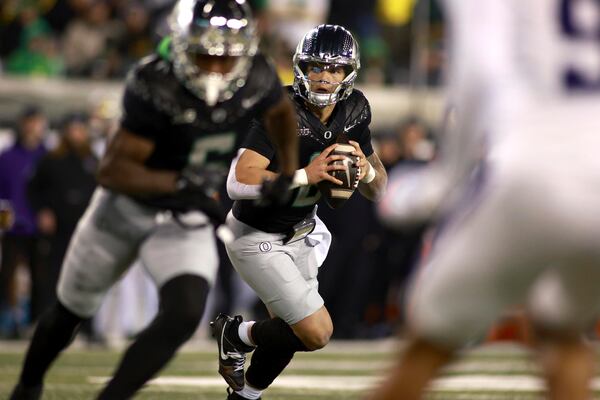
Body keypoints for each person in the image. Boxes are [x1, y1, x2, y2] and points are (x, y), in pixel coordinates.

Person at [9, 1, 299, 399]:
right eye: (205, 55)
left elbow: (282, 114)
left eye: (226, 57)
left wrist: (286, 171)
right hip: (125, 208)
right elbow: (113, 170)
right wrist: (183, 182)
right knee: (70, 310)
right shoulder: (154, 81)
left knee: (184, 312)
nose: (216, 68)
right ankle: (28, 384)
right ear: (181, 46)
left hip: (184, 218)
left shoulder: (257, 76)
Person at [370, 1, 600, 399]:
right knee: (561, 329)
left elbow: (477, 72)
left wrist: (444, 181)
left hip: (534, 173)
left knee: (428, 341)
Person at [211, 24, 387, 400]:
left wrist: (365, 167)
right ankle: (237, 335)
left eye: (334, 69)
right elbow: (238, 182)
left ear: (348, 72)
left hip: (303, 231)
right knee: (316, 331)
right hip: (256, 234)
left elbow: (380, 189)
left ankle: (245, 396)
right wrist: (306, 174)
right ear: (300, 69)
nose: (324, 78)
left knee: (288, 334)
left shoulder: (355, 110)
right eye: (315, 67)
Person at [26, 113, 98, 312]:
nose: (76, 134)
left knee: (86, 275)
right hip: (58, 226)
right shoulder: (50, 160)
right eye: (72, 129)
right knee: (54, 272)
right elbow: (33, 189)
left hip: (85, 227)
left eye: (80, 129)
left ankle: (85, 324)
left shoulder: (92, 160)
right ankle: (48, 317)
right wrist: (42, 211)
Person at [0, 106, 48, 338]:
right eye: (29, 121)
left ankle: (35, 322)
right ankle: (6, 322)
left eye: (36, 122)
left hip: (38, 227)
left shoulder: (47, 156)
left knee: (40, 277)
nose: (32, 127)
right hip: (13, 227)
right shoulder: (7, 157)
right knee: (6, 275)